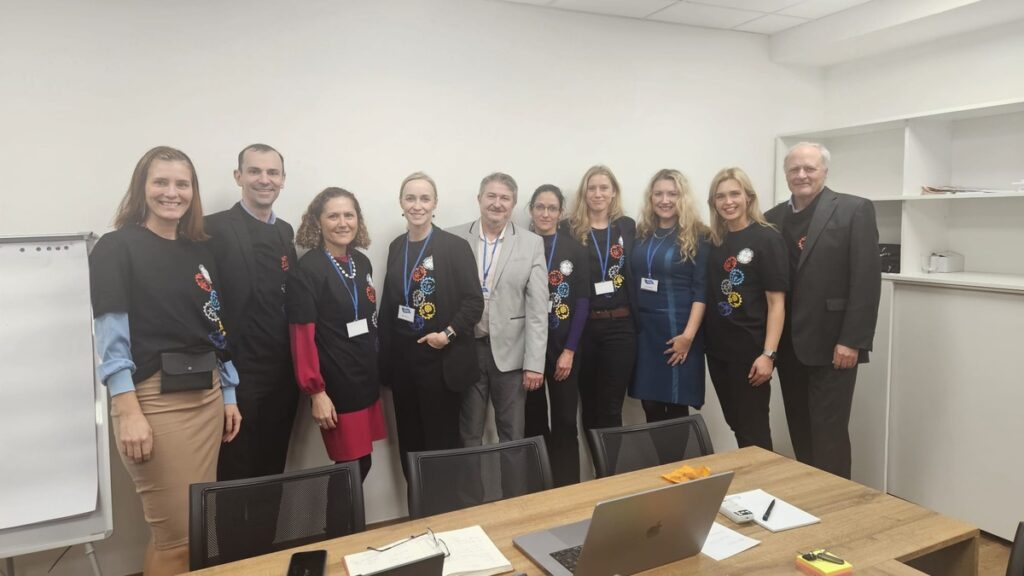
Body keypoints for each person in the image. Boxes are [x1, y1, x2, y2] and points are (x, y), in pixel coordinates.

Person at [89, 146, 241, 576]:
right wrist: (127, 408)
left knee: (187, 534)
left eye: (182, 184)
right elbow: (111, 335)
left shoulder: (198, 251)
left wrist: (228, 392)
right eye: (161, 182)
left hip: (206, 397)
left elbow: (216, 326)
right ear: (142, 187)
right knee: (178, 539)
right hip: (156, 403)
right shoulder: (116, 248)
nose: (171, 193)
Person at [204, 144, 298, 561]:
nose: (265, 179)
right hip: (237, 376)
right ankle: (232, 563)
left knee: (271, 471)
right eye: (256, 171)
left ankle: (265, 557)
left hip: (282, 374)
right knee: (234, 476)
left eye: (273, 172)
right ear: (238, 176)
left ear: (282, 179)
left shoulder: (285, 232)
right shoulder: (213, 228)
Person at [765, 142, 881, 479]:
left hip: (835, 346)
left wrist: (853, 340)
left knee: (829, 435)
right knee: (800, 430)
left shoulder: (853, 210)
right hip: (789, 348)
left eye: (809, 168)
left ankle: (839, 511)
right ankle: (812, 501)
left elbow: (866, 280)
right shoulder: (773, 218)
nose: (801, 175)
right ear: (786, 174)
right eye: (794, 169)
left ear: (824, 171)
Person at [378, 172, 484, 479]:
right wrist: (383, 364)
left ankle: (443, 517)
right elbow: (389, 306)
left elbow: (473, 302)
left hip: (440, 362)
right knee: (410, 445)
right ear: (401, 203)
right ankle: (418, 517)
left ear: (435, 203)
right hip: (403, 363)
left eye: (424, 198)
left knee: (441, 446)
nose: (417, 205)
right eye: (410, 198)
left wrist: (447, 334)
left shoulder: (454, 246)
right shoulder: (397, 247)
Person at [287, 187, 386, 483]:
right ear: (317, 222)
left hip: (365, 377)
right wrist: (316, 392)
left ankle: (348, 527)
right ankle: (339, 529)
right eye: (333, 216)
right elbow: (301, 338)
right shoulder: (307, 270)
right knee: (350, 469)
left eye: (349, 215)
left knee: (363, 462)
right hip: (337, 384)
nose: (343, 222)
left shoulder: (361, 262)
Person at [450, 173, 548, 447]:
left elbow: (539, 310)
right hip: (467, 349)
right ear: (479, 199)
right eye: (491, 196)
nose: (497, 203)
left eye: (504, 198)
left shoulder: (531, 243)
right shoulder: (453, 238)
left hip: (512, 356)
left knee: (513, 434)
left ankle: (517, 492)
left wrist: (534, 364)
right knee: (468, 433)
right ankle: (471, 492)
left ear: (513, 203)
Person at [705, 167, 788, 450]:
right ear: (713, 203)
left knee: (753, 430)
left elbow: (776, 304)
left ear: (748, 197)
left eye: (734, 194)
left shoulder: (767, 238)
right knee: (736, 423)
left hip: (750, 351)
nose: (728, 202)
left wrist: (769, 354)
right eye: (720, 196)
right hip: (717, 351)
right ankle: (750, 489)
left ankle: (766, 490)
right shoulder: (714, 241)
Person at [627, 169, 710, 422]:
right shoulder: (642, 233)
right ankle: (663, 463)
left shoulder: (699, 235)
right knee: (650, 405)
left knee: (676, 408)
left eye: (672, 194)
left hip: (679, 330)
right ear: (650, 198)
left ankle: (679, 463)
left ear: (682, 197)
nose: (665, 200)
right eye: (658, 194)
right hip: (645, 332)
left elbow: (701, 291)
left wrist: (688, 337)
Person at [523, 184, 589, 487]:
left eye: (551, 208)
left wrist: (570, 350)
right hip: (529, 352)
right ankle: (540, 490)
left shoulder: (574, 249)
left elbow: (583, 302)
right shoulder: (520, 246)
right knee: (533, 423)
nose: (545, 213)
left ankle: (568, 491)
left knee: (564, 422)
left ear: (560, 213)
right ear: (531, 210)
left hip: (563, 349)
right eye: (539, 207)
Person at [569, 165, 637, 430]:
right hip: (584, 328)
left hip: (620, 327)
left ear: (613, 193)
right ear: (584, 193)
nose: (597, 194)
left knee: (611, 406)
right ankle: (600, 472)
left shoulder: (627, 227)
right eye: (592, 188)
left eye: (604, 188)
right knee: (588, 404)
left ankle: (612, 471)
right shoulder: (571, 229)